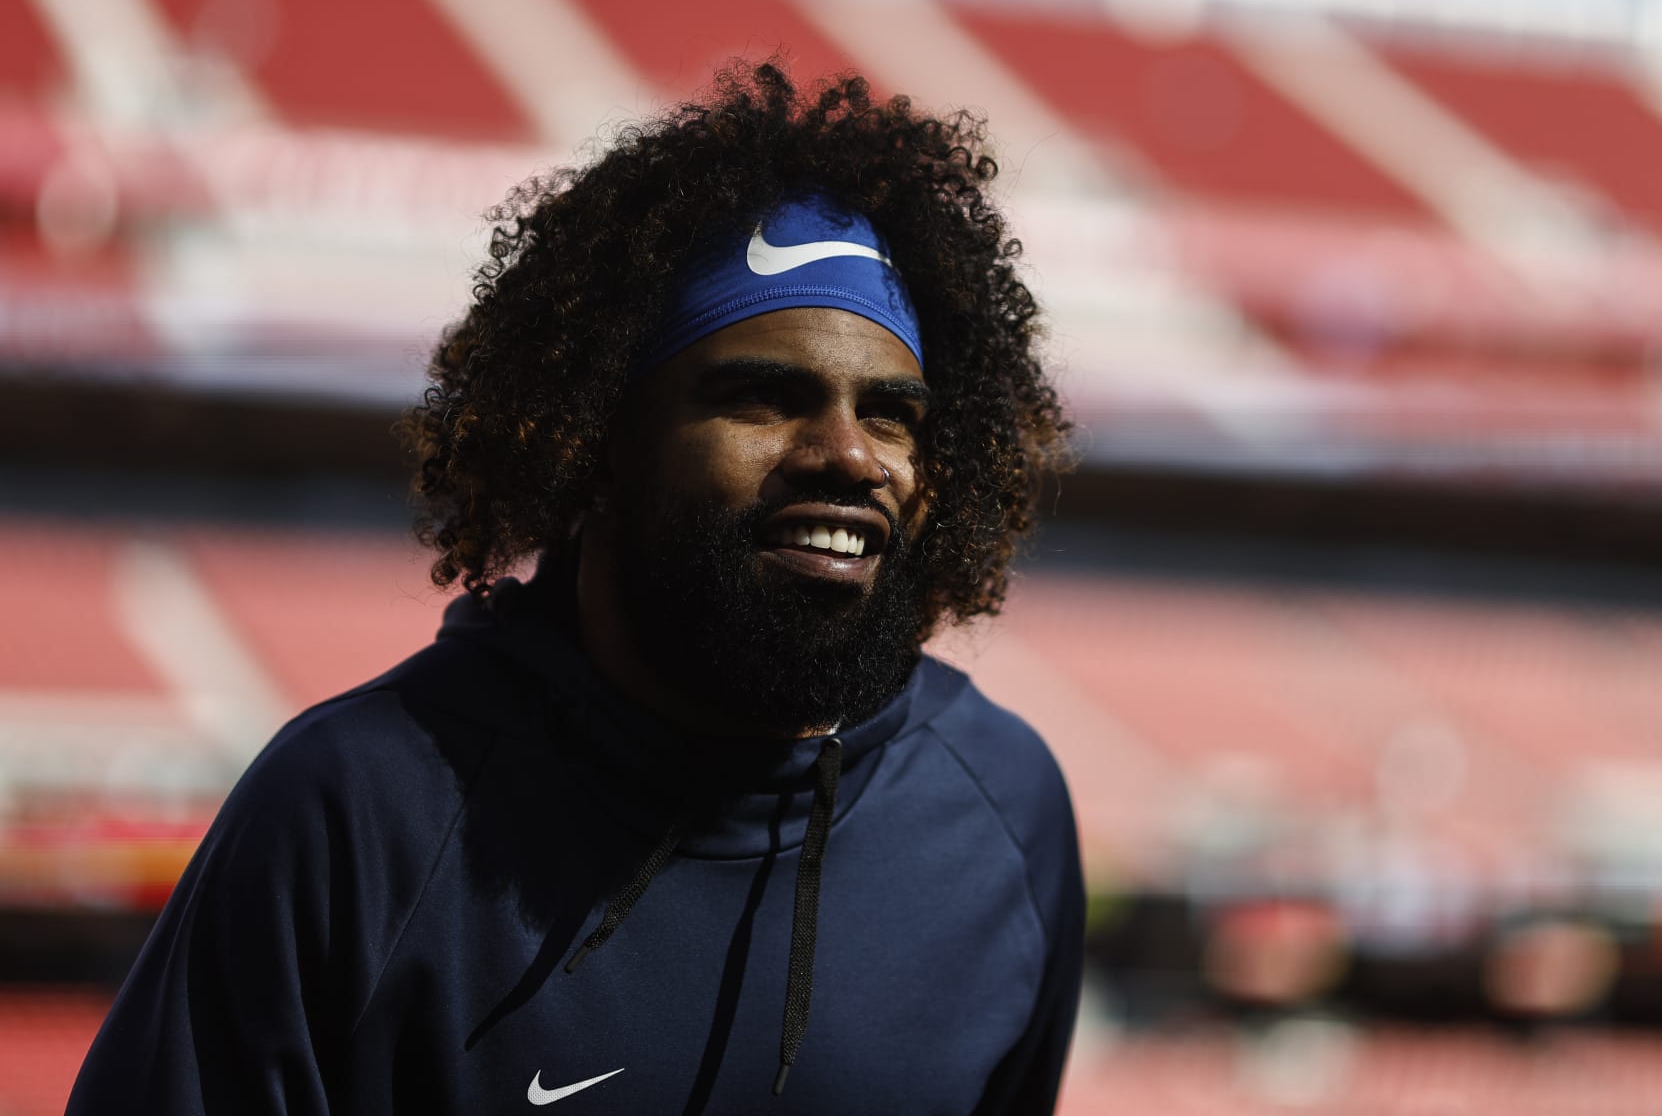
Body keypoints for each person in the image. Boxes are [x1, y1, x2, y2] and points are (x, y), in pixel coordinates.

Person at [69, 62, 1083, 1115]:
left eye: (891, 414)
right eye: (761, 395)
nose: (849, 457)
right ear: (592, 438)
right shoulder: (356, 815)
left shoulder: (1005, 810)